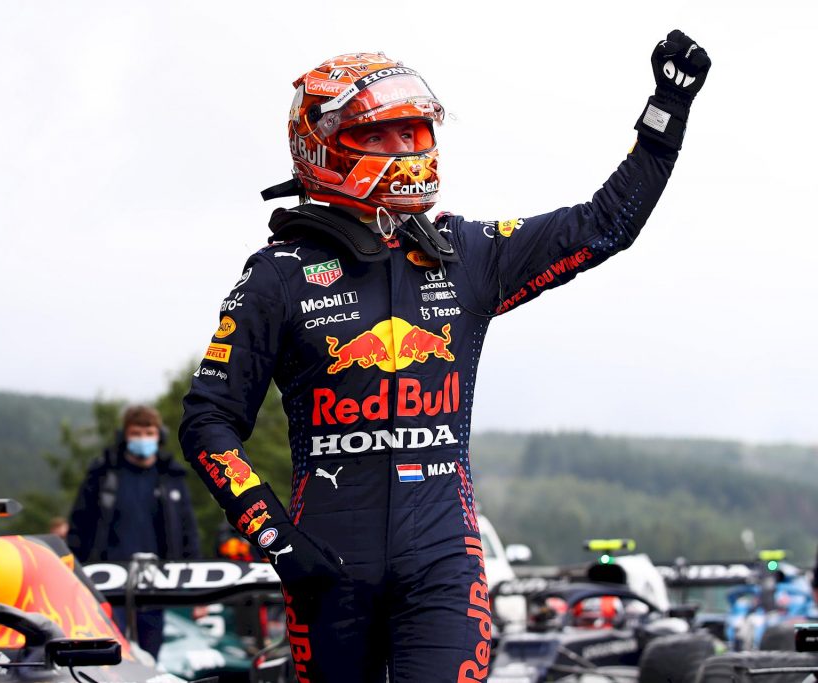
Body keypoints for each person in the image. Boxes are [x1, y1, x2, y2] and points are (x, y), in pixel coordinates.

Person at [180, 34, 710, 682]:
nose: (406, 149)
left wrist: (666, 116)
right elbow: (207, 421)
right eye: (383, 134)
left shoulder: (465, 252)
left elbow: (604, 225)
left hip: (443, 564)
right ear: (325, 146)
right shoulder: (277, 273)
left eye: (413, 131)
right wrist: (274, 535)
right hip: (325, 571)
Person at [67, 404, 200, 658]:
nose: (143, 439)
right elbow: (79, 526)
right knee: (112, 653)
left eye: (148, 433)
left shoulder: (171, 477)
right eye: (136, 433)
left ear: (159, 435)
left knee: (149, 656)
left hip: (155, 583)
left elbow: (187, 533)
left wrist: (196, 591)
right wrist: (74, 574)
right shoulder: (103, 474)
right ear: (124, 435)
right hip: (108, 583)